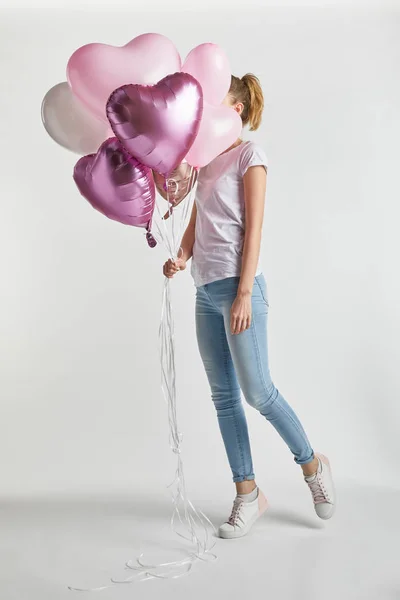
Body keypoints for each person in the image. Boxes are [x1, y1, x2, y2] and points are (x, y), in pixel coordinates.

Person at [163, 73, 335, 539]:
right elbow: (199, 219)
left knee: (259, 392)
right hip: (204, 292)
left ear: (235, 108)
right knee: (224, 398)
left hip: (241, 291)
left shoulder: (249, 155)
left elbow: (254, 229)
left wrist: (242, 292)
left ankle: (313, 465)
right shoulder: (204, 160)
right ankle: (247, 494)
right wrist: (181, 256)